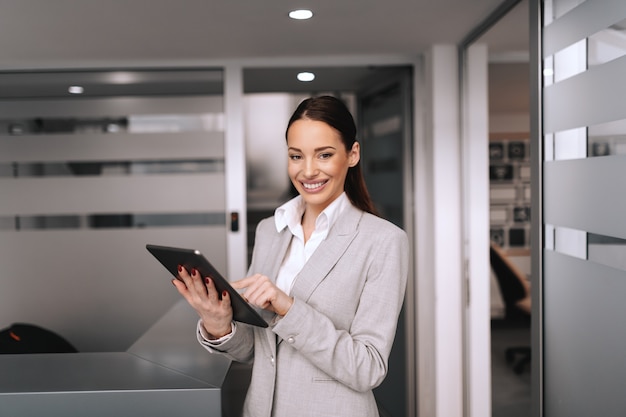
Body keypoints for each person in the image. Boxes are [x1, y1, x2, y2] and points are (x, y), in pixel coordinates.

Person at [173, 95, 409, 417]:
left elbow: (368, 368)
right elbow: (258, 349)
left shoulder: (383, 241)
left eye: (324, 155)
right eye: (296, 156)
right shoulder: (271, 230)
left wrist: (289, 308)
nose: (308, 171)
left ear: (352, 154)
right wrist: (220, 324)